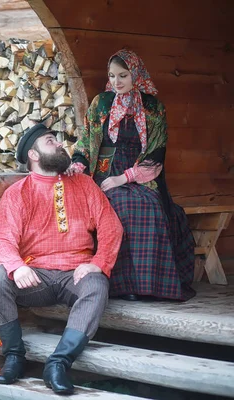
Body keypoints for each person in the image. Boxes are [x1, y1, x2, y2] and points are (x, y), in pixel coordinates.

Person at [0, 123, 123, 394]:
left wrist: (97, 263)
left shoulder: (83, 184)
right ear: (34, 155)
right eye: (50, 141)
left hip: (75, 274)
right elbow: (2, 239)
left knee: (97, 284)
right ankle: (14, 357)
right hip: (36, 277)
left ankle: (58, 363)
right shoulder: (18, 193)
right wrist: (17, 267)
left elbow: (111, 226)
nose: (60, 144)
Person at [67, 49, 196, 302]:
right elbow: (86, 142)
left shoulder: (153, 108)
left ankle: (149, 286)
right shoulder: (101, 103)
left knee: (144, 206)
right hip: (103, 174)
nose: (116, 82)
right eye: (112, 76)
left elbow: (156, 155)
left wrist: (122, 179)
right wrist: (77, 167)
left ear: (135, 74)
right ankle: (120, 286)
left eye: (123, 75)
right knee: (116, 206)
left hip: (140, 176)